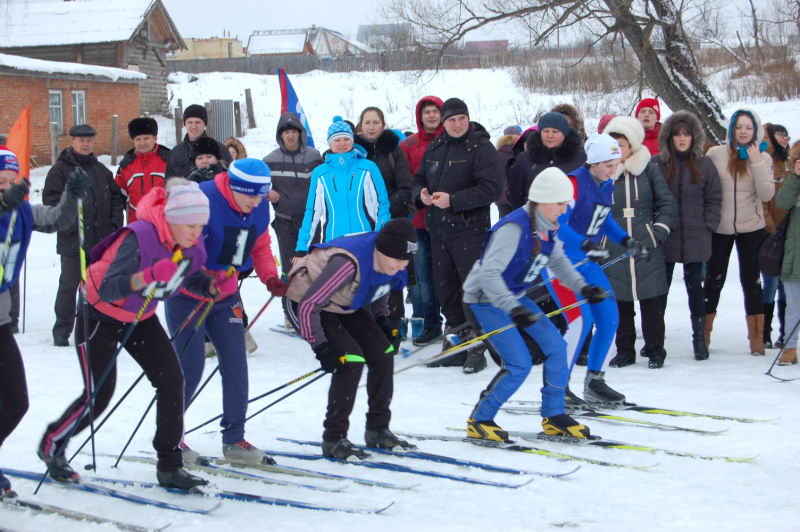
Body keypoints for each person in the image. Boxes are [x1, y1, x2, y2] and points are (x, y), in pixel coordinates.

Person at [38, 179, 216, 491]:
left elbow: (188, 276)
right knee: (99, 394)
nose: (195, 233)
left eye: (201, 226)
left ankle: (170, 465)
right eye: (190, 225)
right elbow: (109, 288)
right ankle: (53, 443)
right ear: (172, 219)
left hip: (140, 316)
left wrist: (210, 285)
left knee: (172, 380)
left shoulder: (187, 242)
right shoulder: (139, 236)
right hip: (99, 313)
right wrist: (147, 277)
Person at [463, 167, 603, 442]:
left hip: (515, 296)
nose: (564, 209)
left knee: (557, 347)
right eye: (560, 203)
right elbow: (489, 275)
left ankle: (554, 415)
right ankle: (480, 419)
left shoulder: (547, 226)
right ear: (544, 200)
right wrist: (513, 309)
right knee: (519, 364)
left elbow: (558, 262)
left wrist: (583, 288)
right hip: (486, 299)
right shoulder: (514, 228)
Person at [166, 159, 288, 465]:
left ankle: (234, 440)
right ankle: (171, 439)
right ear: (234, 187)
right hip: (188, 295)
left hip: (225, 294)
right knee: (191, 368)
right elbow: (176, 246)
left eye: (261, 196)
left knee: (236, 365)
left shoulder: (258, 206)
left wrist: (270, 277)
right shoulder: (202, 199)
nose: (256, 203)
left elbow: (260, 243)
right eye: (250, 196)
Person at [285, 219, 417, 459]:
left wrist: (381, 319)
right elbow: (309, 305)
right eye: (396, 261)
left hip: (344, 304)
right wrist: (322, 347)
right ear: (381, 251)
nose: (400, 267)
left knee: (384, 353)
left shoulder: (394, 263)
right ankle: (334, 438)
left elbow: (381, 286)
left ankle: (377, 429)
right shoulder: (347, 264)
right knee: (351, 360)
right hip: (306, 301)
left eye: (405, 262)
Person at [0, 147, 87, 497]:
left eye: (10, 181)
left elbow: (56, 220)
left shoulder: (21, 211)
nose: (5, 186)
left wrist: (72, 194)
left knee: (15, 401)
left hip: (0, 322)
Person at [411, 98, 504, 374]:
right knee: (447, 290)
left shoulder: (481, 147)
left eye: (462, 118)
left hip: (469, 231)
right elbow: (419, 179)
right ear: (444, 122)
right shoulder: (436, 147)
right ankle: (454, 347)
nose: (457, 123)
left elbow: (492, 189)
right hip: (438, 231)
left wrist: (454, 201)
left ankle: (476, 348)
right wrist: (420, 194)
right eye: (451, 119)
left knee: (471, 290)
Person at [556, 133, 644, 403]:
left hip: (587, 263)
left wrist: (626, 240)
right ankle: (557, 387)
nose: (614, 170)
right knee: (580, 322)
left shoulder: (607, 184)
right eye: (608, 165)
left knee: (609, 318)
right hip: (562, 263)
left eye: (616, 164)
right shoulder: (573, 183)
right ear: (593, 163)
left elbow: (603, 220)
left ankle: (595, 381)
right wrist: (584, 243)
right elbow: (558, 224)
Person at [602, 116, 676, 369]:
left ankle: (655, 350)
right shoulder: (603, 173)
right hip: (614, 245)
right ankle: (625, 351)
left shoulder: (649, 168)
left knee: (651, 300)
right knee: (620, 302)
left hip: (646, 242)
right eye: (612, 146)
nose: (617, 151)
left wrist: (657, 232)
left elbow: (666, 203)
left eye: (621, 145)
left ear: (632, 145)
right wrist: (601, 239)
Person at [43, 124, 125, 347]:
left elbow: (116, 199)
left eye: (89, 140)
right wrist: (69, 219)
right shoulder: (60, 171)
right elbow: (51, 201)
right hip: (73, 241)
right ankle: (62, 330)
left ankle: (98, 327)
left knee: (98, 287)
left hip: (100, 241)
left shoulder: (101, 170)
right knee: (69, 286)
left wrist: (115, 224)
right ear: (73, 142)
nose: (85, 144)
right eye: (81, 140)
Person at [705, 109, 774, 356]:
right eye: (739, 126)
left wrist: (756, 162)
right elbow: (705, 187)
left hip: (751, 228)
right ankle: (703, 334)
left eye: (748, 127)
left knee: (751, 281)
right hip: (720, 228)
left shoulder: (763, 157)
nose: (743, 131)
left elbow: (767, 194)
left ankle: (756, 339)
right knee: (714, 280)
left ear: (756, 131)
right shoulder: (716, 154)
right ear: (731, 129)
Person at [654, 111, 722, 361]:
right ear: (669, 138)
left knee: (695, 288)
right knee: (660, 290)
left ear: (694, 138)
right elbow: (650, 197)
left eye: (686, 135)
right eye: (677, 135)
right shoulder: (657, 164)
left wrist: (708, 225)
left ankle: (699, 340)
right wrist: (655, 228)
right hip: (665, 236)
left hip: (696, 236)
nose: (682, 139)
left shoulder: (705, 164)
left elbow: (714, 197)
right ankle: (655, 340)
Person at [294, 116, 390, 258]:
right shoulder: (320, 174)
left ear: (352, 140)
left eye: (346, 139)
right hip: (333, 244)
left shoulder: (368, 168)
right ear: (330, 143)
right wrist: (302, 246)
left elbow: (382, 204)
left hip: (367, 242)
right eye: (337, 140)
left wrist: (380, 236)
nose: (342, 143)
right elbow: (312, 212)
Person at [355, 106, 413, 341]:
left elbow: (405, 186)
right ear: (360, 126)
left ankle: (394, 326)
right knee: (364, 274)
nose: (371, 127)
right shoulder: (354, 149)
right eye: (367, 122)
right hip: (361, 223)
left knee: (392, 273)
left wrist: (385, 210)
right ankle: (364, 325)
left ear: (383, 125)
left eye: (375, 122)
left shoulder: (393, 149)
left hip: (390, 221)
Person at [263, 112, 323, 328]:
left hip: (311, 222)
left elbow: (324, 180)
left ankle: (314, 312)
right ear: (280, 135)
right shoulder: (270, 160)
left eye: (294, 132)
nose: (290, 135)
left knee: (313, 267)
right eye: (286, 132)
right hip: (285, 221)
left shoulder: (314, 156)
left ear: (300, 134)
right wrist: (268, 192)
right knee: (291, 269)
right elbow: (259, 185)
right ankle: (290, 313)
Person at [400, 96, 444, 346]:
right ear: (420, 116)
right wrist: (416, 199)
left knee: (447, 276)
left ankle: (456, 322)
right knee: (420, 276)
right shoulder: (409, 145)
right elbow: (404, 180)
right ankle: (426, 322)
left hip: (447, 221)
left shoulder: (450, 140)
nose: (431, 116)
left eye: (435, 111)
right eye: (426, 112)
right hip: (416, 224)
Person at [507, 111, 586, 210]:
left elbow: (586, 190)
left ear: (564, 133)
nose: (550, 136)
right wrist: (527, 212)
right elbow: (514, 191)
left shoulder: (579, 158)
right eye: (546, 131)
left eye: (555, 131)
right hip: (534, 215)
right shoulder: (525, 158)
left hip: (571, 215)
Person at [762, 123, 791, 348]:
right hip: (770, 231)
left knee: (786, 286)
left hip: (790, 232)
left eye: (786, 135)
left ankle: (785, 333)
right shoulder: (765, 161)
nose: (784, 138)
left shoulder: (791, 162)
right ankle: (764, 333)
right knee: (770, 283)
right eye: (780, 134)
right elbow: (762, 197)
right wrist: (769, 225)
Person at [115, 117, 170, 224]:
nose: (142, 143)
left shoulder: (169, 160)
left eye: (146, 138)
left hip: (164, 223)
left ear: (155, 138)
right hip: (136, 224)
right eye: (138, 139)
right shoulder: (125, 166)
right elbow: (117, 198)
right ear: (133, 141)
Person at [775, 153, 800, 365]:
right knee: (793, 305)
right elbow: (782, 202)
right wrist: (795, 177)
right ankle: (790, 347)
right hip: (796, 252)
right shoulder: (794, 180)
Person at [166, 104, 232, 178]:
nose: (194, 126)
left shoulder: (219, 149)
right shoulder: (176, 153)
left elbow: (230, 178)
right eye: (190, 122)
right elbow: (169, 181)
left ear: (205, 124)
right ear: (184, 124)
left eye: (197, 122)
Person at [495, 125, 522, 218]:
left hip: (502, 198)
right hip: (519, 197)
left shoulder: (496, 154)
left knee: (505, 224)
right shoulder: (522, 152)